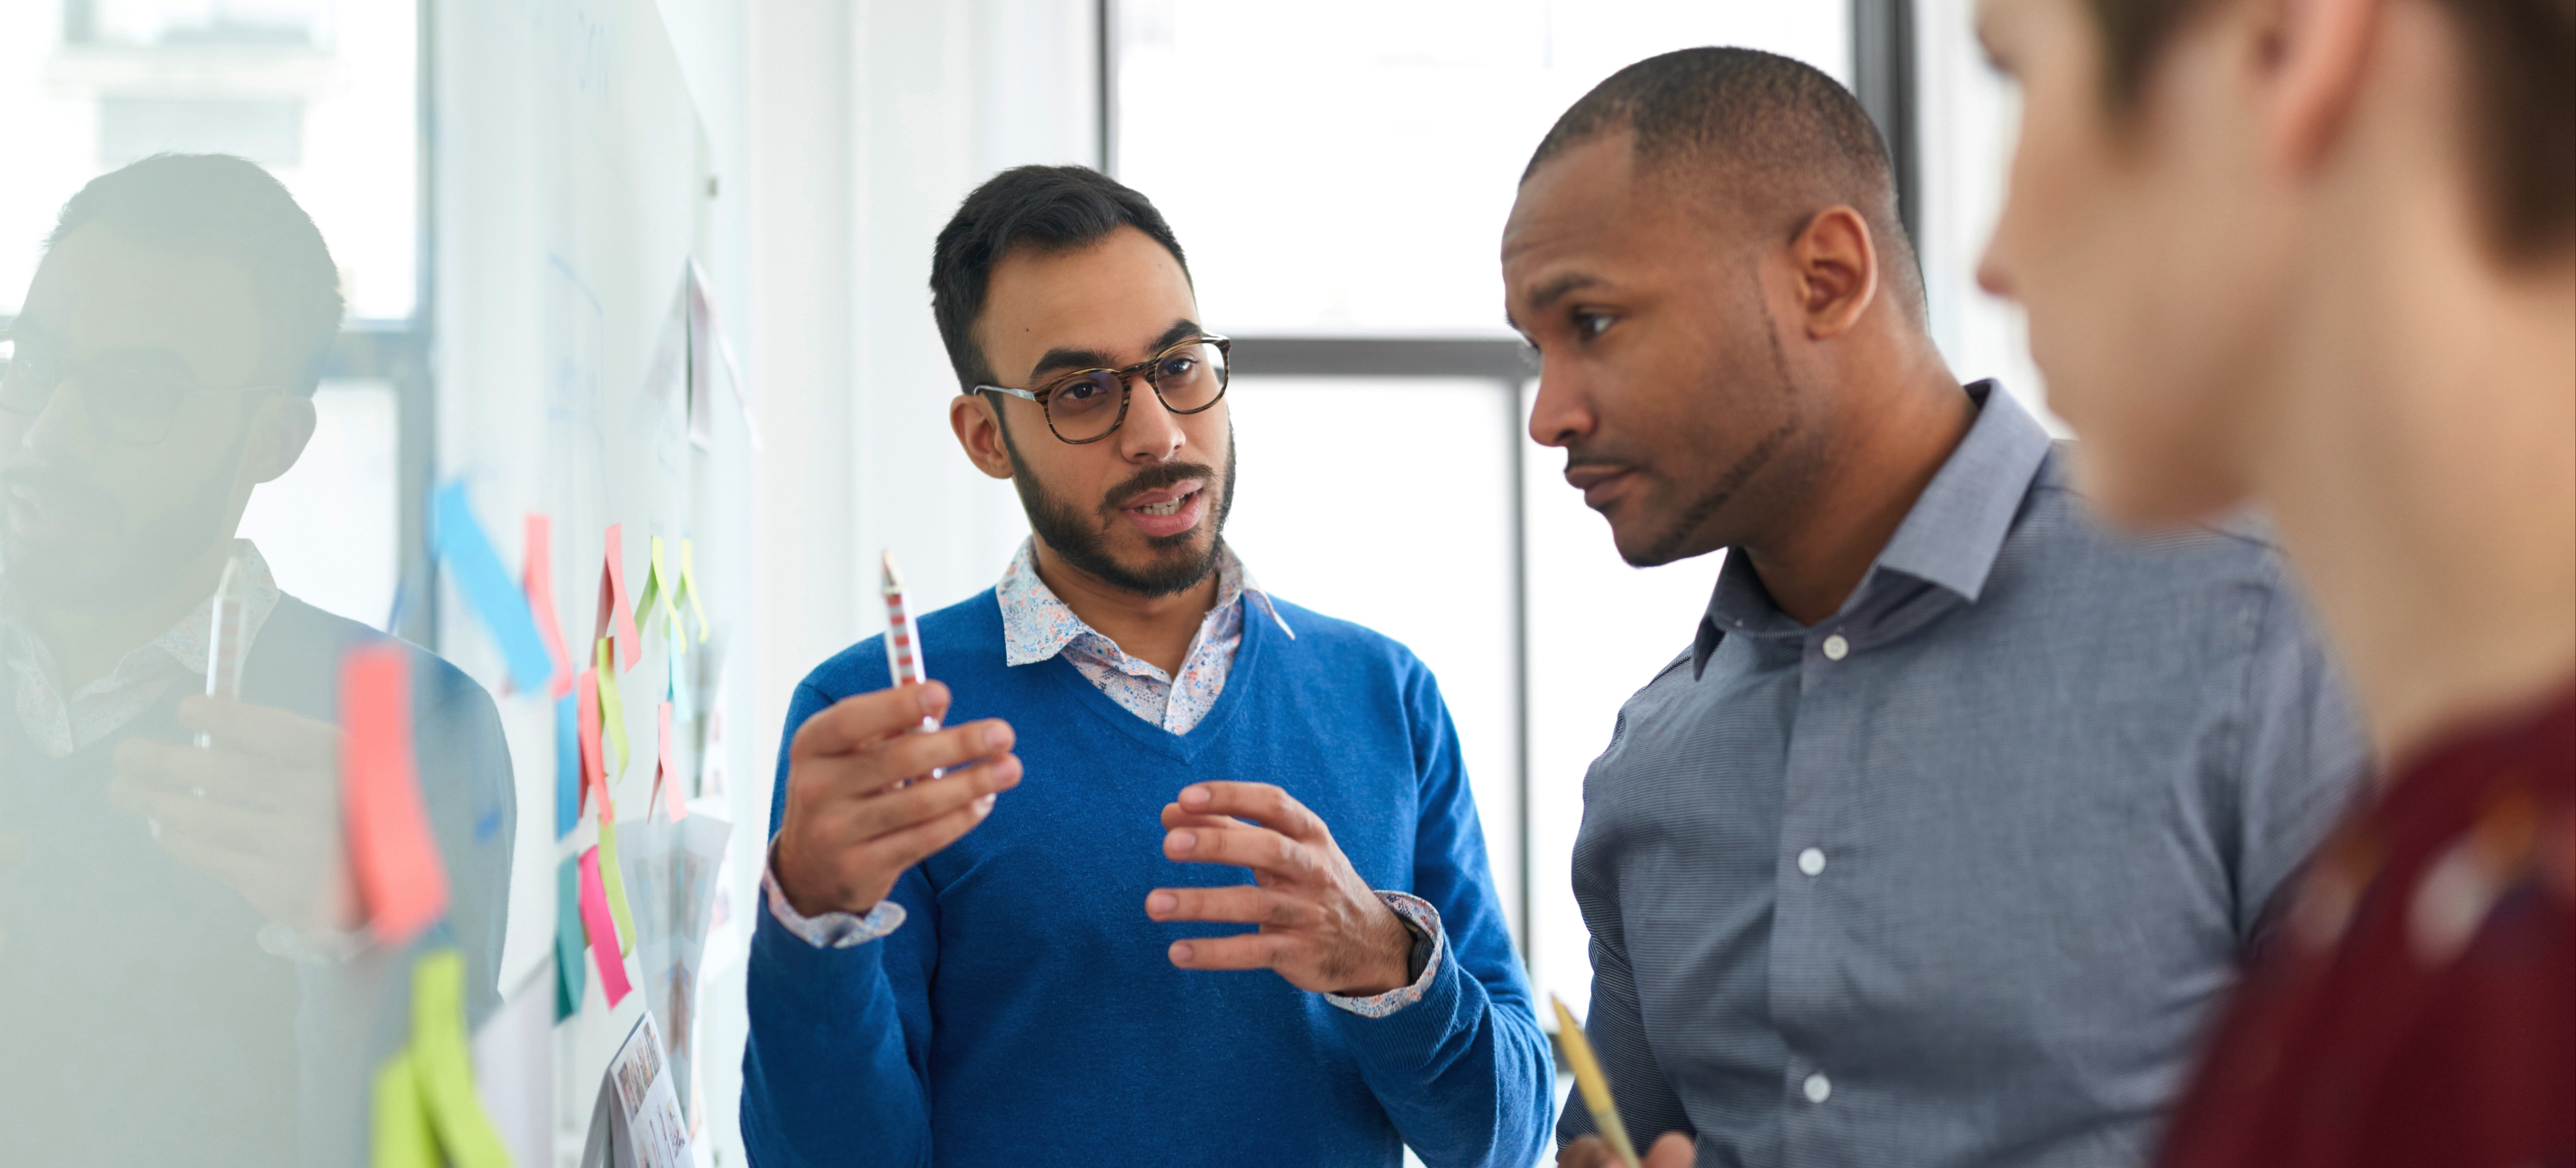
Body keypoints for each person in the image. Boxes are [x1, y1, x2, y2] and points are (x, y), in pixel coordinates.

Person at [1504, 49, 2370, 1168]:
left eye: (1595, 322)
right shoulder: (1649, 767)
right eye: (1536, 348)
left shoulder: (2259, 621)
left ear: (1824, 277)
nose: (1549, 413)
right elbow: (1618, 1140)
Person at [738, 165, 1552, 1167]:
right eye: (1083, 391)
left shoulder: (1385, 694)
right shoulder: (881, 721)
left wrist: (1383, 958)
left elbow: (1507, 1138)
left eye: (1178, 366)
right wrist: (814, 912)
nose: (1158, 433)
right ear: (987, 436)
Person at [1974, 0, 2572, 1161]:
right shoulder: (2437, 861)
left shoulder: (2520, 947)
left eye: (2016, 74)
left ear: (2280, 46)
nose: (1988, 256)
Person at [0, 154, 513, 1166]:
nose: (48, 433)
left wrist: (365, 940)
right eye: (34, 362)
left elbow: (448, 1146)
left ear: (270, 438)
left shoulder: (409, 727)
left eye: (137, 391)